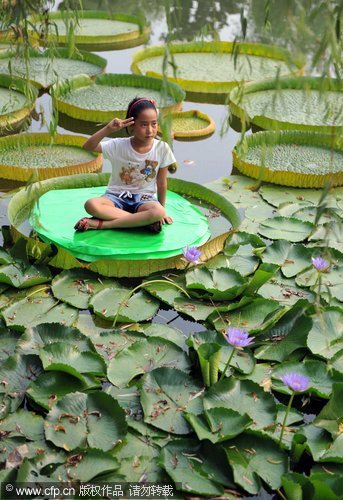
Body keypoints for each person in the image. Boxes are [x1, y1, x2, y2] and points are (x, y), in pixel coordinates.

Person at [74, 97, 177, 233]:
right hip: (116, 196)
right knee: (91, 204)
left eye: (154, 124)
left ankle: (103, 224)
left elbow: (161, 182)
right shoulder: (118, 145)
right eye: (144, 124)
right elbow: (89, 146)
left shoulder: (162, 148)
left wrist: (162, 211)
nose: (150, 130)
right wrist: (107, 129)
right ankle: (141, 222)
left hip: (144, 199)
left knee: (157, 211)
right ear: (132, 125)